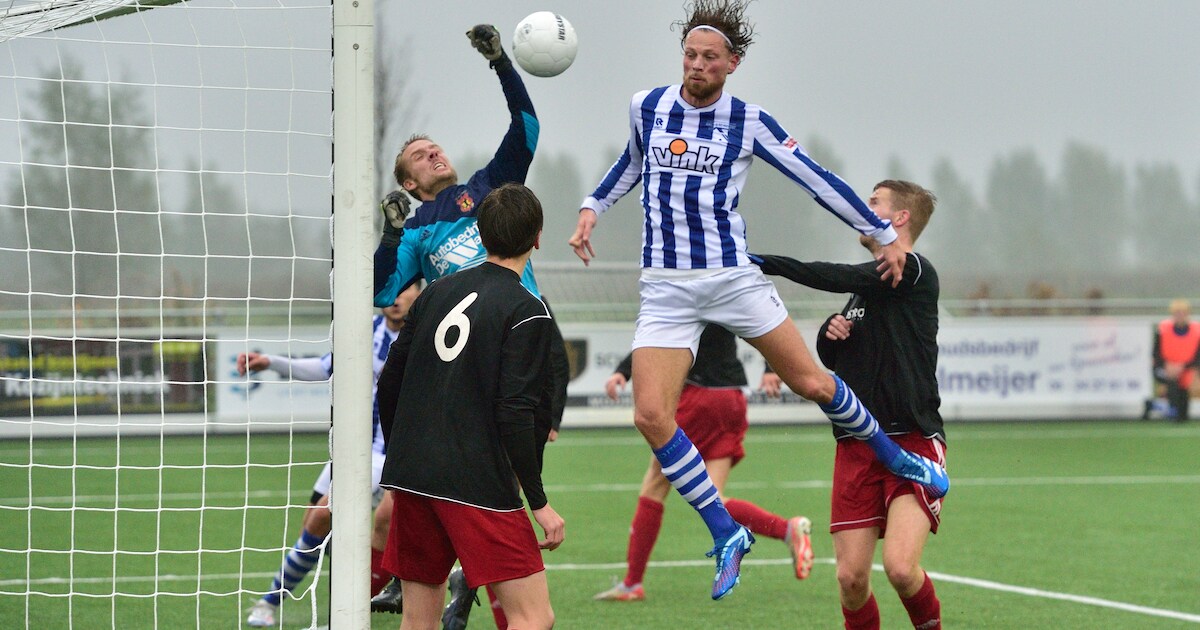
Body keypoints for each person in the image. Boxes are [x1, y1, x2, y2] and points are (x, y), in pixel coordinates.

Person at [567, 0, 948, 600]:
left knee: (814, 384)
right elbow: (631, 165)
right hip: (666, 286)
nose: (696, 65)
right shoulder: (648, 106)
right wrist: (592, 207)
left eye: (709, 58)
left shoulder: (748, 121)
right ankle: (727, 534)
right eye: (690, 55)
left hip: (730, 275)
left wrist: (879, 234)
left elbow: (816, 179)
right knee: (649, 415)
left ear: (732, 64)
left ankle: (897, 460)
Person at [368, 24, 568, 627]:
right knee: (478, 513)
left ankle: (455, 582)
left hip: (519, 356)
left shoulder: (487, 191)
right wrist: (391, 230)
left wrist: (501, 63)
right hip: (465, 385)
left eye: (436, 147)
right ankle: (453, 582)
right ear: (407, 182)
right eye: (419, 156)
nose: (434, 153)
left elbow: (527, 130)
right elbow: (382, 292)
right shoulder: (418, 227)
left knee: (479, 508)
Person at [752, 179, 945, 630]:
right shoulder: (865, 291)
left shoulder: (911, 270)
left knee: (899, 568)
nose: (863, 207)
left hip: (911, 440)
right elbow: (840, 357)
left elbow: (838, 275)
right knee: (851, 579)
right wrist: (829, 335)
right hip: (858, 444)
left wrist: (768, 263)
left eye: (873, 202)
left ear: (899, 218)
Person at [376, 183, 563, 630]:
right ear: (537, 237)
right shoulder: (528, 310)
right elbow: (515, 412)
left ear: (479, 234)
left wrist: (400, 455)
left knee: (417, 620)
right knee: (533, 617)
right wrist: (538, 502)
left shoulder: (434, 293)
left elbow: (390, 383)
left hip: (415, 475)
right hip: (477, 483)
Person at [593, 323, 813, 603]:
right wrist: (771, 366)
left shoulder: (686, 285)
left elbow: (658, 334)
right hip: (731, 396)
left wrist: (624, 370)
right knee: (715, 495)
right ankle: (787, 529)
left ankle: (632, 583)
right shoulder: (726, 284)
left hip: (698, 395)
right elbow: (762, 322)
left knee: (654, 487)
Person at [244, 284, 421, 627]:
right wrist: (271, 362)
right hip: (352, 450)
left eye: (406, 289)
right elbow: (325, 368)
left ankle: (285, 605)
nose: (397, 297)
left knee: (324, 519)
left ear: (419, 291)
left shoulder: (422, 336)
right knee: (313, 526)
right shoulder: (367, 329)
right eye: (392, 289)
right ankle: (347, 602)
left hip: (388, 456)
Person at [1143, 299, 1199, 422]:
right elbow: (1156, 353)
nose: (1180, 316)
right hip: (1163, 368)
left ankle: (1153, 405)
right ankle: (1173, 411)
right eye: (1177, 313)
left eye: (1183, 313)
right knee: (1172, 381)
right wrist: (1167, 365)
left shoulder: (1196, 332)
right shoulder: (1163, 330)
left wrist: (1182, 366)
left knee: (1184, 402)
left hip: (1185, 369)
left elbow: (1197, 357)